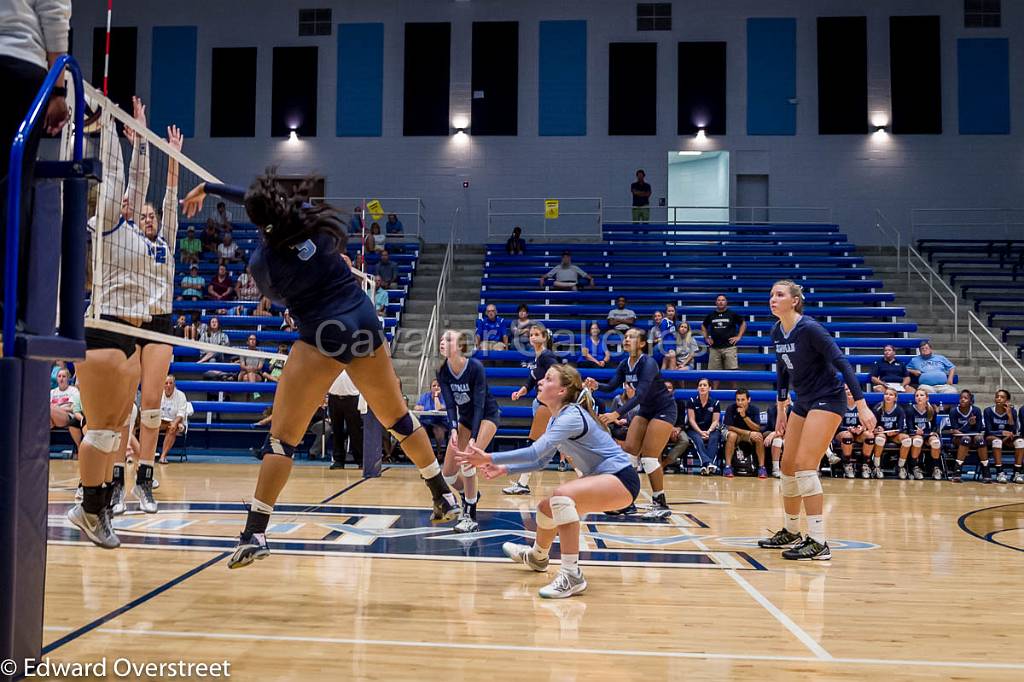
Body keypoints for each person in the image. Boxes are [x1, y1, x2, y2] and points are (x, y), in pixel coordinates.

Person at [181, 169, 460, 568]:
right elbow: (264, 202)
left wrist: (211, 190)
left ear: (257, 220)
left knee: (282, 438)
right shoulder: (311, 218)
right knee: (397, 416)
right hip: (364, 321)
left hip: (324, 333)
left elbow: (277, 294)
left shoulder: (263, 261)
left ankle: (255, 532)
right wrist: (211, 187)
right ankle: (442, 493)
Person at [456, 364, 641, 599]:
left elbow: (534, 452)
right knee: (546, 508)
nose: (540, 382)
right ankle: (537, 556)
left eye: (548, 378)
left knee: (561, 497)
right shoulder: (556, 420)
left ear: (562, 391)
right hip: (603, 479)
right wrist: (505, 468)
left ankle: (572, 575)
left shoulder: (572, 415)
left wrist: (489, 457)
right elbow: (541, 461)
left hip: (621, 478)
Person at [67, 97, 155, 548]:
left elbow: (136, 184)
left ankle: (97, 508)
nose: (128, 201)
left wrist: (138, 138)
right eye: (119, 196)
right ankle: (88, 507)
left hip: (131, 335)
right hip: (103, 329)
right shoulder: (102, 224)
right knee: (101, 427)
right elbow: (120, 178)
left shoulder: (132, 230)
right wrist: (110, 131)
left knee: (117, 426)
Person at [757, 280, 875, 561]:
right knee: (786, 465)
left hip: (828, 399)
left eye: (780, 294)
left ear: (795, 301)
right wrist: (782, 409)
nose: (773, 298)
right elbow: (783, 371)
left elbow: (842, 363)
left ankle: (820, 542)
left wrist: (861, 405)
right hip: (803, 401)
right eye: (771, 294)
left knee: (805, 466)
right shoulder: (777, 331)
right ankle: (791, 529)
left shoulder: (809, 328)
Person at [131, 124, 185, 515]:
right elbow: (132, 194)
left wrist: (173, 157)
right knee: (121, 410)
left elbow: (170, 197)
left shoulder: (166, 238)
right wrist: (139, 149)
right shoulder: (128, 238)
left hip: (161, 322)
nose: (150, 219)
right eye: (145, 215)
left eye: (153, 216)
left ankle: (144, 482)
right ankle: (115, 484)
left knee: (151, 409)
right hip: (130, 321)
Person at [0, 0, 70, 301]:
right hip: (18, 62)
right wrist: (57, 90)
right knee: (12, 190)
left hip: (17, 61)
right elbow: (54, 12)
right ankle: (6, 307)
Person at [584, 328, 676, 519]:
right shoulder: (624, 364)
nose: (626, 339)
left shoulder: (648, 363)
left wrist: (616, 413)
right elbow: (610, 387)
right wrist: (596, 385)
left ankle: (660, 502)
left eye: (631, 337)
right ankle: (627, 502)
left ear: (642, 343)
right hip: (646, 410)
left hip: (664, 410)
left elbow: (641, 394)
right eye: (625, 337)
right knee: (629, 454)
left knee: (649, 458)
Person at [436, 330, 501, 533]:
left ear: (460, 346)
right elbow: (449, 404)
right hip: (464, 420)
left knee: (468, 461)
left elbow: (480, 405)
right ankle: (471, 495)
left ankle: (470, 515)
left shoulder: (475, 367)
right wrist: (453, 429)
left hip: (486, 416)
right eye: (441, 339)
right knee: (447, 474)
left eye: (448, 339)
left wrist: (473, 438)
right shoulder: (442, 371)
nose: (442, 342)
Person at [504, 324, 561, 495]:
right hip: (541, 404)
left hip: (547, 405)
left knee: (534, 443)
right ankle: (587, 479)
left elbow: (559, 373)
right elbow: (531, 379)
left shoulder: (547, 356)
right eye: (531, 335)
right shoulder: (537, 358)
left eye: (537, 334)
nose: (533, 337)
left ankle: (522, 483)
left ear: (545, 337)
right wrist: (521, 392)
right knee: (564, 445)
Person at [701, 295, 745, 387]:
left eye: (723, 300)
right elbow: (703, 326)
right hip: (714, 348)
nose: (721, 302)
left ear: (726, 302)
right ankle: (715, 393)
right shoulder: (711, 315)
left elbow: (743, 323)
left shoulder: (732, 314)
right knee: (714, 373)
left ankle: (734, 392)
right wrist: (706, 337)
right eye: (719, 300)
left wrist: (739, 336)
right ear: (716, 302)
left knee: (732, 372)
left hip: (729, 347)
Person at [946, 389, 988, 483]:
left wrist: (963, 430)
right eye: (961, 398)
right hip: (958, 439)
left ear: (970, 400)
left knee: (980, 439)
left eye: (965, 398)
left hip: (974, 438)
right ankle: (957, 471)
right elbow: (955, 431)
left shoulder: (976, 410)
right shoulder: (953, 411)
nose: (963, 400)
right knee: (966, 439)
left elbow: (978, 429)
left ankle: (986, 470)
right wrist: (968, 424)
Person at [723, 388, 766, 478]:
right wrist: (748, 433)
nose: (740, 402)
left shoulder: (755, 409)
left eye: (743, 400)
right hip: (736, 434)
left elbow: (757, 428)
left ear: (748, 400)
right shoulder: (730, 408)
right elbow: (729, 427)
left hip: (748, 435)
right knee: (732, 435)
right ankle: (728, 467)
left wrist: (744, 416)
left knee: (759, 437)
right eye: (738, 400)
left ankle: (762, 468)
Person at [327, 370, 363, 470]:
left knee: (355, 431)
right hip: (333, 398)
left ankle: (360, 460)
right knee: (337, 430)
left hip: (352, 398)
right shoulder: (332, 361)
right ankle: (338, 460)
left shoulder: (353, 361)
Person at [871, 387, 910, 479]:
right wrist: (877, 428)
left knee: (907, 440)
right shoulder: (877, 408)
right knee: (880, 438)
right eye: (886, 394)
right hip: (882, 434)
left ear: (895, 398)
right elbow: (872, 425)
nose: (888, 396)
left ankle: (901, 467)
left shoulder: (900, 410)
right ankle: (876, 466)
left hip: (894, 434)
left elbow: (901, 427)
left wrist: (895, 432)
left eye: (891, 395)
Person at [905, 388, 943, 480]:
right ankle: (914, 467)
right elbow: (909, 428)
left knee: (936, 442)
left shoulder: (931, 410)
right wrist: (915, 432)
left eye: (921, 395)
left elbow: (934, 426)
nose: (919, 397)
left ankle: (935, 467)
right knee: (918, 440)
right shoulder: (910, 410)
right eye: (917, 396)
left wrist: (934, 432)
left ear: (927, 398)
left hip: (927, 435)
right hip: (916, 435)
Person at [685, 378, 721, 475]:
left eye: (705, 385)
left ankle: (705, 466)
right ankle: (708, 464)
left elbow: (715, 421)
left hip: (710, 429)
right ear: (697, 388)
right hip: (695, 429)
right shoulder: (691, 401)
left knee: (715, 437)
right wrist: (700, 432)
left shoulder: (715, 402)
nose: (702, 387)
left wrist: (708, 431)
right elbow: (691, 420)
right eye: (700, 385)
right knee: (698, 439)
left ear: (710, 388)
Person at [984, 389, 1019, 484]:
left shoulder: (1013, 411)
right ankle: (1000, 472)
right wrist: (1002, 433)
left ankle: (1017, 473)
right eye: (997, 396)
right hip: (991, 438)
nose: (998, 398)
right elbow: (988, 431)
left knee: (1020, 442)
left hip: (1007, 439)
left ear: (1007, 401)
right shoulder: (988, 411)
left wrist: (1009, 415)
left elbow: (1014, 431)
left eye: (1002, 397)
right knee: (997, 441)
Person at [836, 387, 872, 479]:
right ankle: (847, 464)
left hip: (858, 433)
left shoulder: (862, 407)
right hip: (842, 432)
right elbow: (836, 426)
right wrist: (848, 428)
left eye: (850, 388)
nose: (849, 391)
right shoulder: (839, 405)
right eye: (846, 389)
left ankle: (865, 465)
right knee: (847, 436)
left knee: (869, 435)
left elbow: (868, 423)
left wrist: (862, 428)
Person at [156, 375, 189, 464]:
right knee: (149, 426)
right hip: (161, 421)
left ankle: (163, 456)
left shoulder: (181, 395)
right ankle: (146, 455)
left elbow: (181, 414)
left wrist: (175, 423)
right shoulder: (158, 394)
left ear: (174, 385)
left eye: (171, 383)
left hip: (177, 422)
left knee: (173, 428)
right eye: (166, 383)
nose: (168, 385)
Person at [50, 368, 84, 449]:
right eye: (59, 376)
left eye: (64, 376)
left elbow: (73, 408)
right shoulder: (52, 392)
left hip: (67, 417)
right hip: (53, 418)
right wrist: (62, 407)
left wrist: (56, 408)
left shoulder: (73, 390)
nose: (61, 378)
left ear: (68, 379)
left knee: (49, 408)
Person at [414, 379, 449, 457]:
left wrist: (436, 396)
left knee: (438, 430)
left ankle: (439, 452)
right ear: (430, 388)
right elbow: (416, 407)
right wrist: (423, 407)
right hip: (426, 422)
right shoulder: (425, 396)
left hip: (440, 423)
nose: (436, 387)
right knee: (420, 430)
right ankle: (425, 453)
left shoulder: (445, 397)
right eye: (434, 386)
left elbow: (439, 408)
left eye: (438, 385)